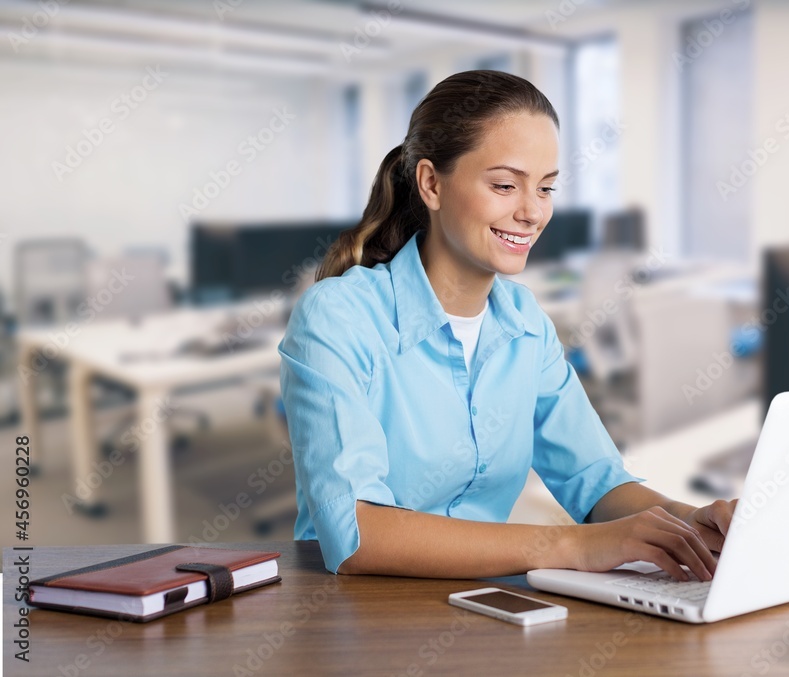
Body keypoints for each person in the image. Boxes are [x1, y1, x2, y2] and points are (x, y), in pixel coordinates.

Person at [278, 70, 736, 579]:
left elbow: (596, 480)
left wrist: (690, 524)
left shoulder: (525, 324)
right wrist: (577, 546)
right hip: (358, 617)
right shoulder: (339, 316)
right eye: (504, 185)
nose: (532, 212)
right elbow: (357, 534)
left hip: (481, 607)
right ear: (431, 183)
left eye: (546, 188)